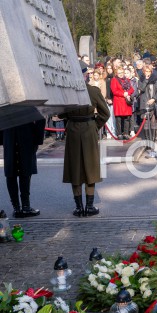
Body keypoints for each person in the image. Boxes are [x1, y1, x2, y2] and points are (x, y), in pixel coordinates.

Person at [59, 65, 110, 217]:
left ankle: (79, 207)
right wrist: (95, 126)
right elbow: (105, 113)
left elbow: (61, 114)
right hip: (88, 129)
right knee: (90, 166)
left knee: (75, 167)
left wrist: (69, 117)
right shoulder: (93, 91)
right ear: (85, 75)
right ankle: (89, 207)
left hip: (73, 129)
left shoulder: (67, 92)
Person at [1, 119, 46, 218]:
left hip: (9, 131)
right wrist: (38, 139)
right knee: (24, 169)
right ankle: (25, 206)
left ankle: (17, 208)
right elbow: (40, 117)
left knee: (12, 171)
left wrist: (2, 137)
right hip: (26, 131)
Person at [137, 64, 157, 157]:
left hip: (154, 103)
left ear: (151, 71)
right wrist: (146, 80)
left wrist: (154, 99)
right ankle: (148, 143)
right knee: (146, 123)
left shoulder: (156, 78)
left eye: (149, 71)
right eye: (145, 71)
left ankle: (152, 142)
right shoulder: (141, 80)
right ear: (143, 72)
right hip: (144, 103)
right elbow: (142, 88)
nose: (147, 73)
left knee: (153, 122)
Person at [110, 67, 135, 140]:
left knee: (127, 118)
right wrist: (123, 93)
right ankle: (119, 133)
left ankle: (126, 133)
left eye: (122, 73)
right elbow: (114, 91)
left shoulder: (126, 79)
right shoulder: (114, 80)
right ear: (116, 73)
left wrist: (128, 93)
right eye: (119, 73)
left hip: (126, 101)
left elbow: (132, 89)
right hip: (119, 101)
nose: (121, 74)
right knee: (119, 119)